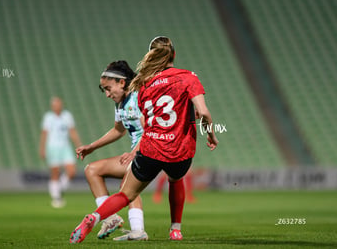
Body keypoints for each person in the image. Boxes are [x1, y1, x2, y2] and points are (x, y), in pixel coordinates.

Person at [70, 36, 218, 244]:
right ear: (173, 55)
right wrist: (210, 135)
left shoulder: (144, 85)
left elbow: (149, 123)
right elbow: (203, 112)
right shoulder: (187, 77)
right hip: (179, 150)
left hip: (150, 150)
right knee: (176, 180)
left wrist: (135, 150)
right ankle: (175, 229)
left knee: (125, 194)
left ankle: (95, 217)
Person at [75, 60, 148, 241]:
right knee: (92, 170)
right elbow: (118, 130)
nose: (107, 94)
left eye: (108, 88)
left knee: (128, 181)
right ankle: (111, 218)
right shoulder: (121, 103)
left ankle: (138, 230)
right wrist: (91, 147)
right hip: (137, 153)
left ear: (122, 82)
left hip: (150, 152)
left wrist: (136, 152)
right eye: (104, 90)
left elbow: (150, 129)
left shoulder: (139, 97)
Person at [39, 96, 82, 208]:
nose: (57, 106)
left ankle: (58, 190)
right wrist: (42, 148)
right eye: (55, 105)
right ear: (52, 106)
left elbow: (72, 131)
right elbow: (44, 133)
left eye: (59, 104)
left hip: (65, 147)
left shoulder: (67, 116)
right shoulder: (48, 117)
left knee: (72, 171)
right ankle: (56, 197)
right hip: (52, 147)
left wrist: (79, 145)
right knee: (55, 172)